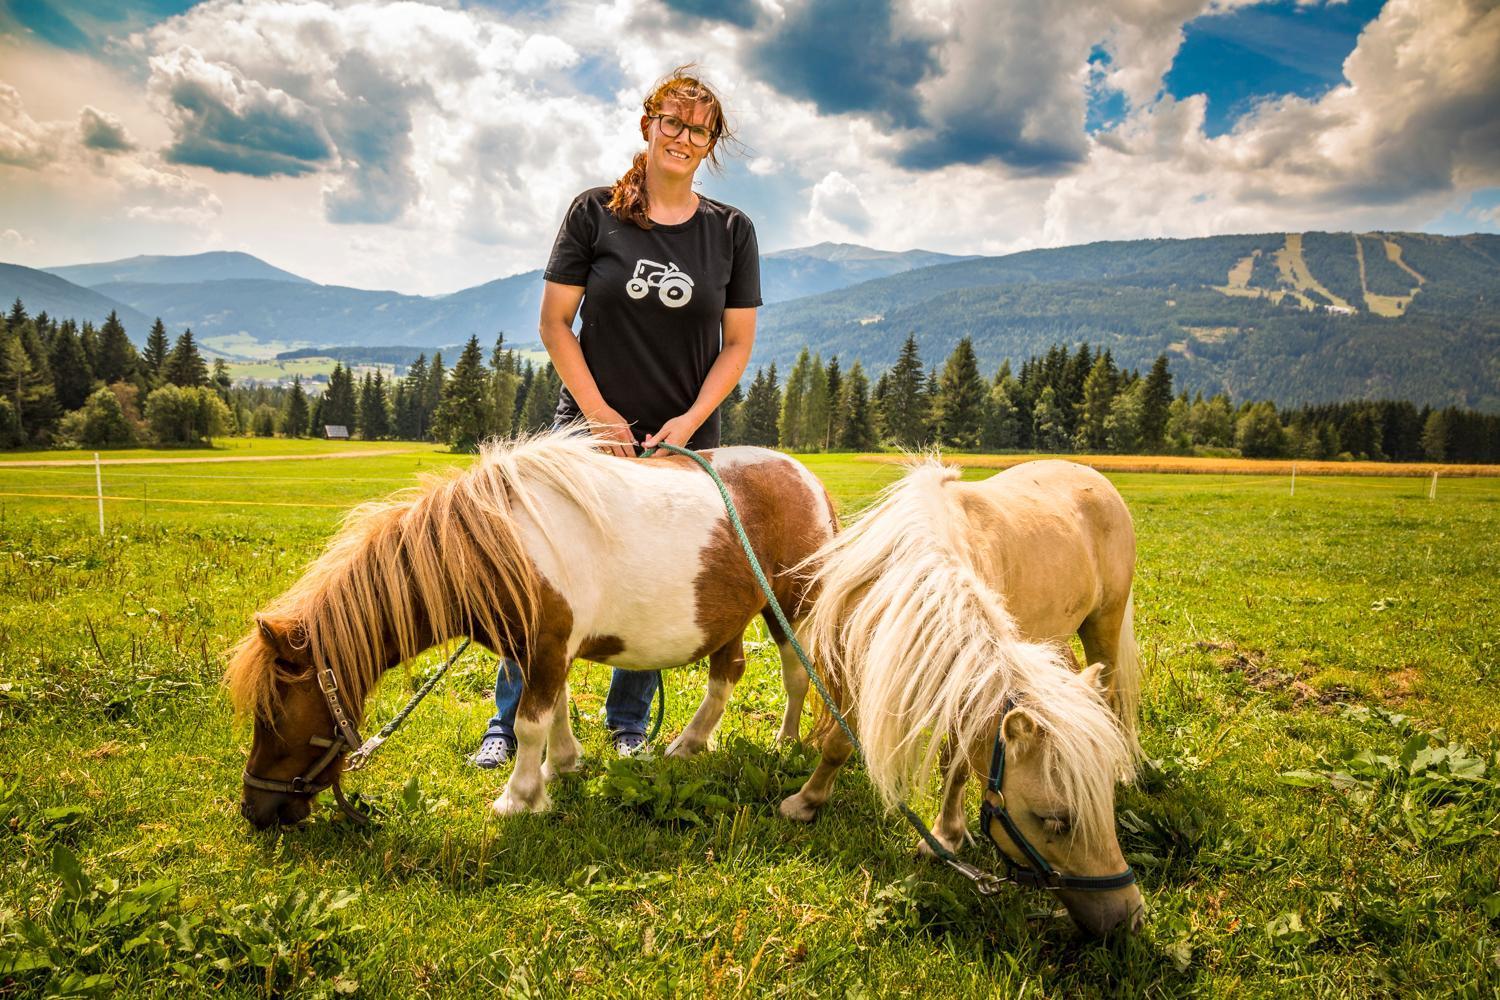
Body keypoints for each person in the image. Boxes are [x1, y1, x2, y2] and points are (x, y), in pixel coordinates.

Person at [472, 67, 760, 767]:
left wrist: (689, 423)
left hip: (680, 442)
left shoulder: (731, 231)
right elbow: (555, 324)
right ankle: (507, 723)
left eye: (699, 129)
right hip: (585, 435)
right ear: (648, 125)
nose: (683, 137)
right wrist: (598, 414)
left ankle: (627, 721)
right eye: (673, 121)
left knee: (650, 572)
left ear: (711, 143)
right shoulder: (594, 213)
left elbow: (739, 344)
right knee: (544, 575)